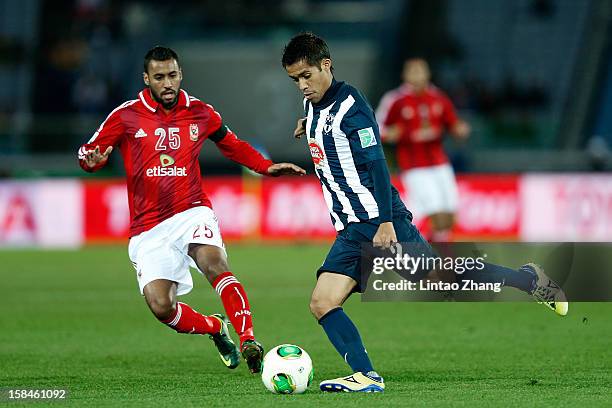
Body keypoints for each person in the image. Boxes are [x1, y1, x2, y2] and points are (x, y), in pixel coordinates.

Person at [281, 32, 567, 393]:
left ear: (326, 65)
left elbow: (378, 167)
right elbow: (322, 121)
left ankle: (528, 280)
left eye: (307, 76)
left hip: (376, 221)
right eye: (295, 80)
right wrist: (308, 123)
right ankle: (366, 376)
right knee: (322, 302)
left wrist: (386, 222)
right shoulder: (314, 104)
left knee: (439, 280)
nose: (302, 86)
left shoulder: (352, 108)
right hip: (351, 228)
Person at [78, 46, 306, 374]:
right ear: (147, 79)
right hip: (149, 227)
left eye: (172, 75)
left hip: (192, 211)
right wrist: (90, 161)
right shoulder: (125, 116)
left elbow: (232, 144)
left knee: (215, 265)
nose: (167, 83)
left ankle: (249, 339)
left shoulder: (201, 112)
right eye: (159, 77)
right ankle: (216, 328)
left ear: (180, 74)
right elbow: (89, 151)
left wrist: (266, 167)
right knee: (161, 306)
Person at [376, 58, 470, 242]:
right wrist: (388, 134)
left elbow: (453, 123)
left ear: (428, 73)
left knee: (450, 214)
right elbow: (375, 127)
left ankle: (435, 254)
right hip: (414, 165)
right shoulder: (395, 99)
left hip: (439, 162)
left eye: (421, 70)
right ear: (405, 75)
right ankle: (427, 256)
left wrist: (459, 129)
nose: (418, 75)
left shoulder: (438, 97)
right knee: (435, 214)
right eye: (413, 71)